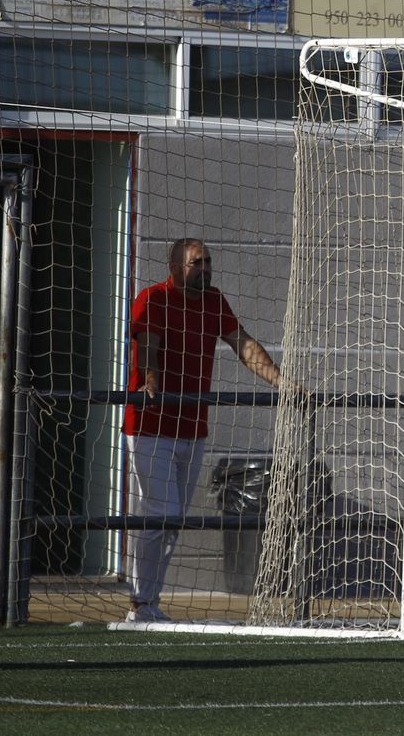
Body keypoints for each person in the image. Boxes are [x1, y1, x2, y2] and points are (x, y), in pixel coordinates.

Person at [123, 238, 281, 623]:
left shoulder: (214, 302)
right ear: (175, 266)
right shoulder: (153, 297)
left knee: (173, 519)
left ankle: (149, 602)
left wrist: (282, 381)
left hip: (192, 428)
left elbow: (243, 345)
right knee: (162, 510)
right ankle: (141, 603)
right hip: (150, 425)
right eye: (197, 262)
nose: (206, 268)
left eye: (209, 261)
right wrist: (151, 381)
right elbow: (149, 344)